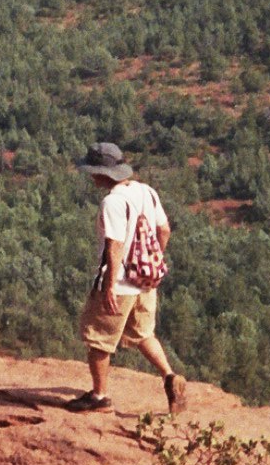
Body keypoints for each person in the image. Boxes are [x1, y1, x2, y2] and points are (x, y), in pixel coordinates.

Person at [72, 139, 187, 414]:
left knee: (99, 339)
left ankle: (99, 398)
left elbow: (114, 245)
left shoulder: (112, 202)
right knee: (143, 333)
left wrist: (110, 286)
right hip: (145, 282)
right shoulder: (146, 191)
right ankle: (171, 378)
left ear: (102, 172)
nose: (91, 176)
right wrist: (152, 259)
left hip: (120, 283)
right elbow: (165, 229)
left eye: (93, 171)